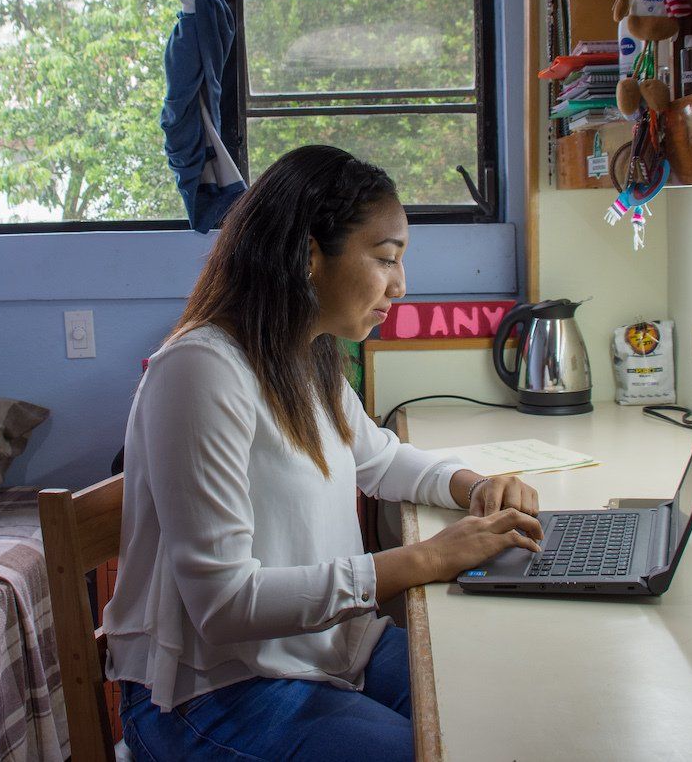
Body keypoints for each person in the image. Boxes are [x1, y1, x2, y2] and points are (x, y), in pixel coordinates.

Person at [105, 145, 543, 761]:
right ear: (310, 255)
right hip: (213, 692)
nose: (401, 284)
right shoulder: (201, 371)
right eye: (386, 258)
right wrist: (424, 559)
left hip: (326, 650)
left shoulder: (302, 353)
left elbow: (380, 459)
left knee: (505, 709)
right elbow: (224, 605)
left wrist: (472, 486)